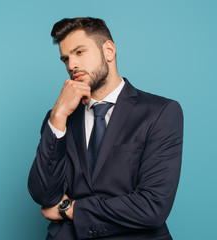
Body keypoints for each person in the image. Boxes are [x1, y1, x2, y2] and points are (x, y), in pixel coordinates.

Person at [27, 17, 183, 240]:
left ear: (108, 50)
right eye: (66, 58)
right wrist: (58, 116)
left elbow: (152, 206)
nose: (71, 65)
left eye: (79, 52)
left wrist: (69, 209)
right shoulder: (59, 119)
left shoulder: (160, 113)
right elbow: (44, 194)